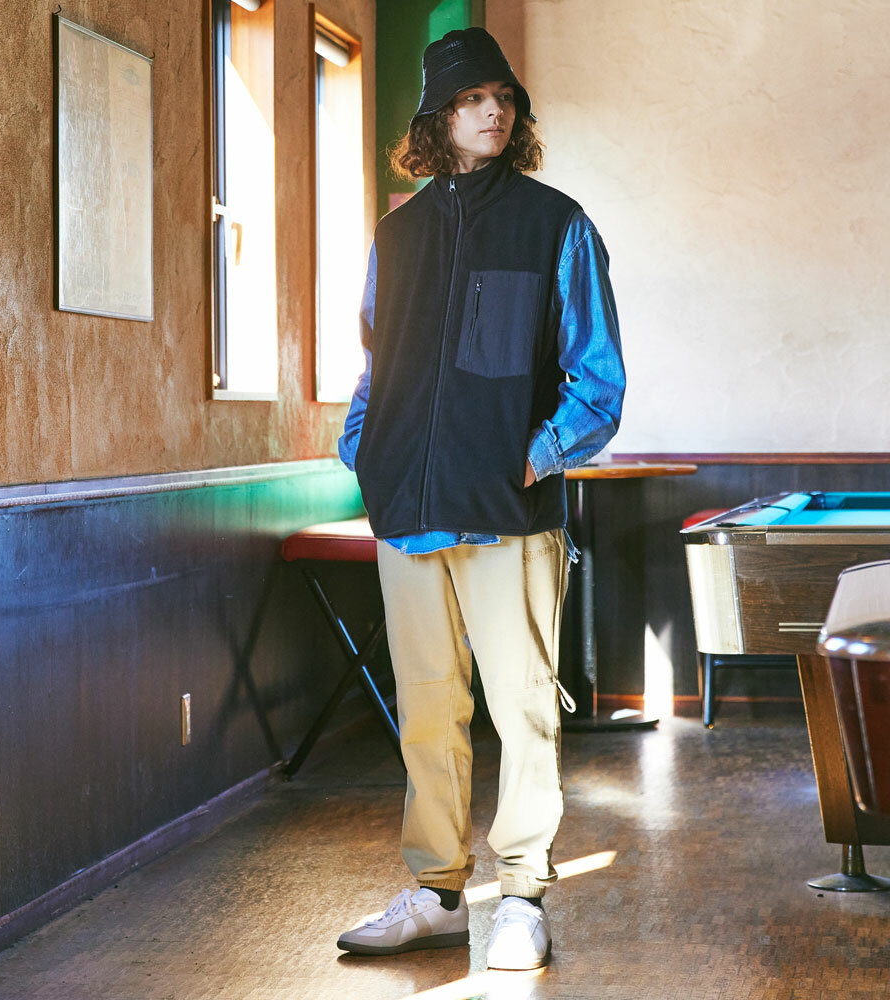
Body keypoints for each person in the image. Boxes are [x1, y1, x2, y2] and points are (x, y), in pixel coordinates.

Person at [335, 26, 624, 971]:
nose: (492, 110)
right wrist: (366, 456)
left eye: (502, 96)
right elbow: (375, 365)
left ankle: (523, 897)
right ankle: (436, 892)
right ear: (438, 117)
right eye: (470, 98)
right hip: (408, 511)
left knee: (524, 708)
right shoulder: (396, 235)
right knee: (426, 710)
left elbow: (597, 384)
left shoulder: (556, 224)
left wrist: (527, 461)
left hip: (508, 515)